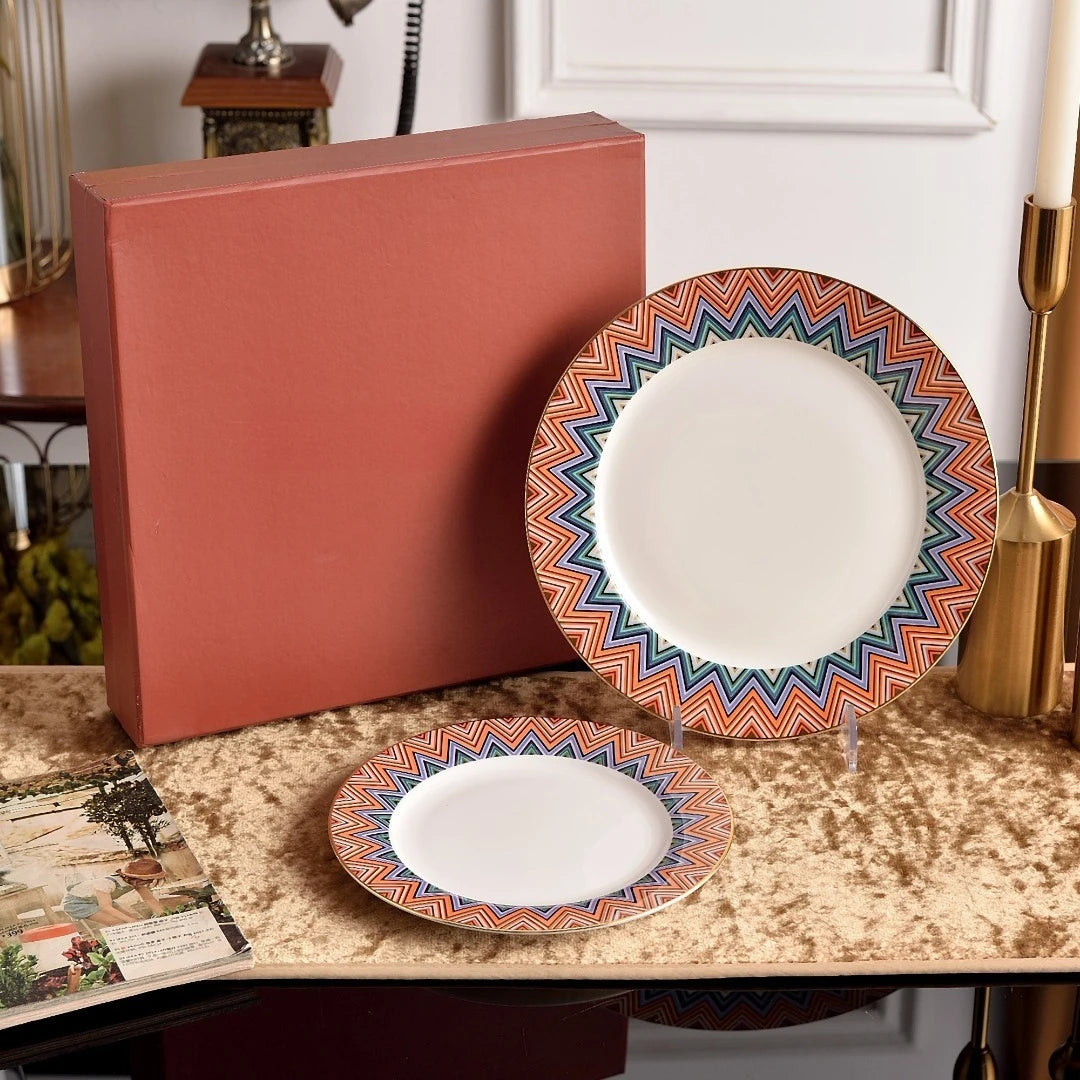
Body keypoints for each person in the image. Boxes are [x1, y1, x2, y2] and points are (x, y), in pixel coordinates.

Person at [61, 857, 168, 926]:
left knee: (136, 919)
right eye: (147, 881)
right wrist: (129, 920)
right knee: (121, 922)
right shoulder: (107, 884)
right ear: (135, 878)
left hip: (99, 900)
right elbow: (106, 907)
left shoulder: (136, 883)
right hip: (77, 902)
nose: (147, 883)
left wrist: (165, 916)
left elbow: (149, 899)